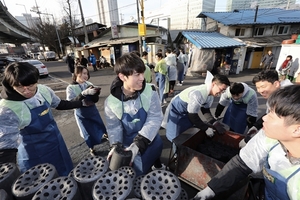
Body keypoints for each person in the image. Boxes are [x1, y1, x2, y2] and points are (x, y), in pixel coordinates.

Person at [192, 85, 300, 200]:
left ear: (297, 129)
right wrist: (209, 191)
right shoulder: (270, 138)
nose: (264, 118)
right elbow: (241, 164)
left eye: (272, 116)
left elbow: (251, 114)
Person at [0, 62, 98, 175]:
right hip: (33, 152)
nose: (27, 91)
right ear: (11, 85)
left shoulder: (43, 90)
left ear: (36, 81)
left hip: (56, 143)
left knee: (64, 173)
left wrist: (81, 103)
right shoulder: (7, 109)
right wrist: (6, 175)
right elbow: (6, 148)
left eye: (30, 86)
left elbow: (59, 104)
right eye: (20, 87)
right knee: (41, 181)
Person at [105, 52, 165, 176]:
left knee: (154, 158)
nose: (142, 78)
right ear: (122, 77)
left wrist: (139, 143)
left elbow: (155, 117)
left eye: (142, 73)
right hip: (128, 147)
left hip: (150, 139)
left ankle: (157, 165)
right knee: (137, 174)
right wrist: (116, 145)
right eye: (137, 74)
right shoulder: (111, 102)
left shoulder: (151, 90)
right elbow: (114, 127)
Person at [161, 72, 230, 143]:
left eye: (223, 91)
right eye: (221, 89)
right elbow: (192, 115)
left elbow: (205, 110)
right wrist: (205, 128)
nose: (221, 93)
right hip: (177, 111)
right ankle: (176, 152)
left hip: (188, 112)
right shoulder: (198, 94)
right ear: (214, 84)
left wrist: (214, 123)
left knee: (187, 132)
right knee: (177, 136)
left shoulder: (210, 96)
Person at [239, 70, 292, 147]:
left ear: (276, 84)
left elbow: (273, 127)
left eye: (263, 87)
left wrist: (249, 140)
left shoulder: (287, 100)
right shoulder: (275, 95)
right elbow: (268, 114)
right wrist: (256, 126)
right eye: (258, 87)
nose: (260, 91)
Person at [66, 66, 107, 156]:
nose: (86, 76)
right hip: (81, 113)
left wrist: (96, 93)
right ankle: (91, 148)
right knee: (87, 131)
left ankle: (104, 136)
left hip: (92, 110)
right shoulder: (71, 88)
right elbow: (70, 103)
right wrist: (83, 94)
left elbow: (95, 100)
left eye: (87, 73)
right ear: (77, 73)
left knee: (98, 125)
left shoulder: (88, 83)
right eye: (84, 73)